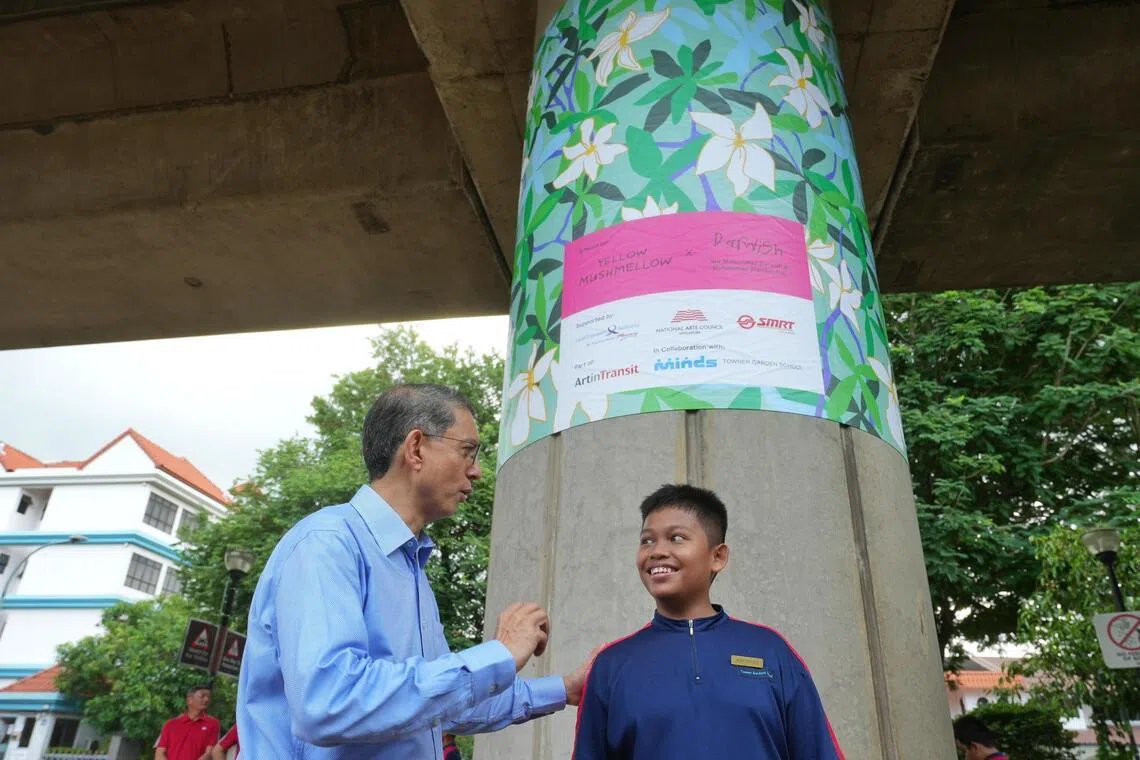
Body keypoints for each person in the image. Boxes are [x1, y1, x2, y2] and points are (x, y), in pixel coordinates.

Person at [238, 383, 594, 758]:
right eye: (467, 452)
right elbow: (327, 702)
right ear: (416, 448)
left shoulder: (411, 567)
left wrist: (565, 689)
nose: (477, 471)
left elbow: (447, 703)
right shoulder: (326, 544)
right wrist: (500, 653)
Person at [572, 484, 845, 760]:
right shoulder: (611, 664)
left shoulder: (771, 650)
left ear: (718, 556)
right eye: (647, 541)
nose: (657, 551)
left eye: (676, 538)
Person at [155, 684, 219, 760]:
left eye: (209, 697)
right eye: (202, 696)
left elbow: (209, 752)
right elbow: (160, 754)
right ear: (189, 700)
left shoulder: (212, 723)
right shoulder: (170, 724)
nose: (206, 699)